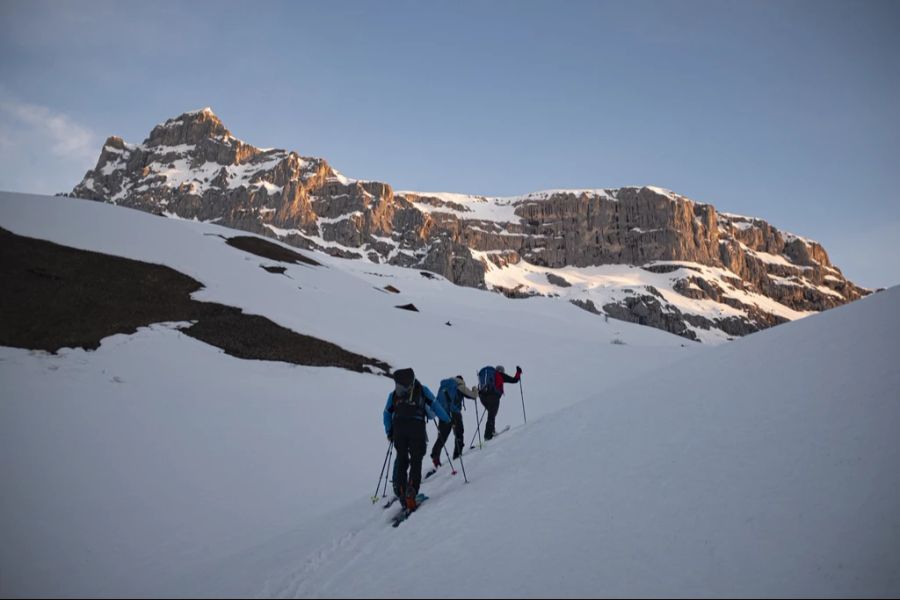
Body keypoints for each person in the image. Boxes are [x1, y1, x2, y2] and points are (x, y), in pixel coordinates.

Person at [383, 368, 450, 510]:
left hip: (399, 428)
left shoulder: (394, 394)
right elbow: (435, 405)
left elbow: (386, 414)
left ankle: (401, 492)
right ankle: (411, 492)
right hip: (417, 427)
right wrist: (447, 419)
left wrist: (389, 432)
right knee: (416, 459)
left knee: (401, 459)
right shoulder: (422, 389)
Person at [430, 375, 478, 467]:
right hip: (454, 413)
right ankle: (457, 454)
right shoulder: (460, 385)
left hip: (443, 413)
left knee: (442, 436)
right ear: (462, 380)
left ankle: (435, 455)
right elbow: (474, 396)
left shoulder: (444, 386)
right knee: (459, 433)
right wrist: (475, 389)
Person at [477, 364, 522, 440]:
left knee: (491, 414)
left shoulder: (488, 377)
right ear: (501, 371)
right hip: (493, 397)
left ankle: (492, 431)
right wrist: (518, 372)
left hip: (482, 398)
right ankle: (487, 435)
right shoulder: (499, 374)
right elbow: (514, 380)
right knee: (491, 415)